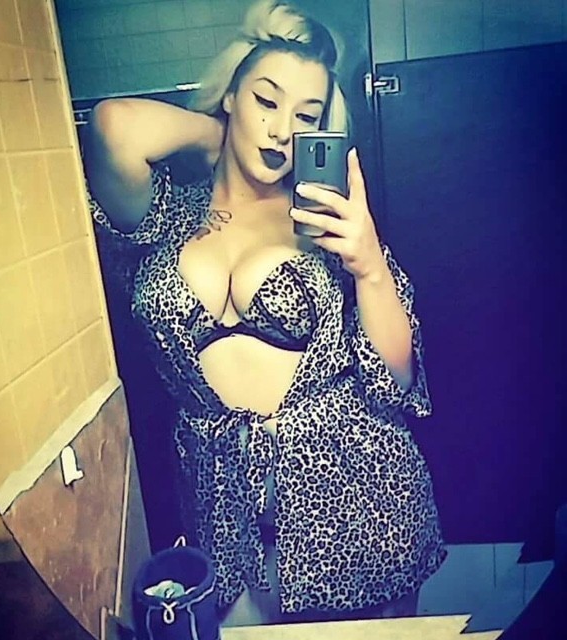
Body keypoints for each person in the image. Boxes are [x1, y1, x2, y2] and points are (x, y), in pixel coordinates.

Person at [84, 0, 446, 626]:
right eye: (265, 101)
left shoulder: (326, 225)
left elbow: (399, 378)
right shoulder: (165, 215)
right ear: (232, 97)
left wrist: (367, 262)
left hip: (358, 502)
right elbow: (114, 126)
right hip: (222, 513)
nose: (282, 131)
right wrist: (217, 134)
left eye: (305, 116)